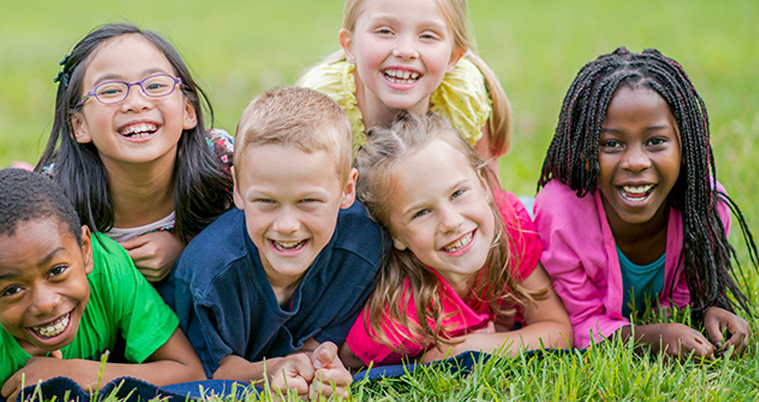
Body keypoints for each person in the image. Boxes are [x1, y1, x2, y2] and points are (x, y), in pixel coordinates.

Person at [535, 47, 758, 358]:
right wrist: (650, 337)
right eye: (611, 144)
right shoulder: (560, 216)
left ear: (686, 147)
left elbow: (691, 292)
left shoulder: (703, 206)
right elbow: (579, 323)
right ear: (585, 151)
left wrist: (712, 307)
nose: (636, 162)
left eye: (656, 141)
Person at [169, 87, 388, 399]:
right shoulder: (208, 273)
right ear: (238, 190)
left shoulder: (364, 247)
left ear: (347, 189)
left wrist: (320, 364)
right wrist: (271, 372)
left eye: (308, 201)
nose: (286, 225)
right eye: (266, 201)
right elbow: (212, 371)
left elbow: (324, 339)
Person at [0, 169, 205, 401]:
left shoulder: (110, 269)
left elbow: (189, 371)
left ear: (85, 250)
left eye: (57, 271)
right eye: (12, 290)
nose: (46, 304)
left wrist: (72, 373)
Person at [341, 112, 572, 368]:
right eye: (422, 213)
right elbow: (349, 358)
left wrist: (471, 347)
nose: (451, 222)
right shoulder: (401, 316)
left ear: (484, 185)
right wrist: (434, 355)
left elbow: (558, 332)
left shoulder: (509, 224)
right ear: (395, 235)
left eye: (458, 193)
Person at [35, 23, 234, 283]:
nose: (136, 103)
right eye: (110, 91)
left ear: (188, 111)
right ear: (79, 126)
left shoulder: (222, 161)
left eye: (155, 85)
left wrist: (187, 247)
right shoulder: (53, 196)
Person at [298, 0, 511, 181]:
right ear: (350, 46)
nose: (406, 51)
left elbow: (491, 199)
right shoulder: (322, 106)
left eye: (428, 36)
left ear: (453, 57)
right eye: (385, 31)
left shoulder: (461, 98)